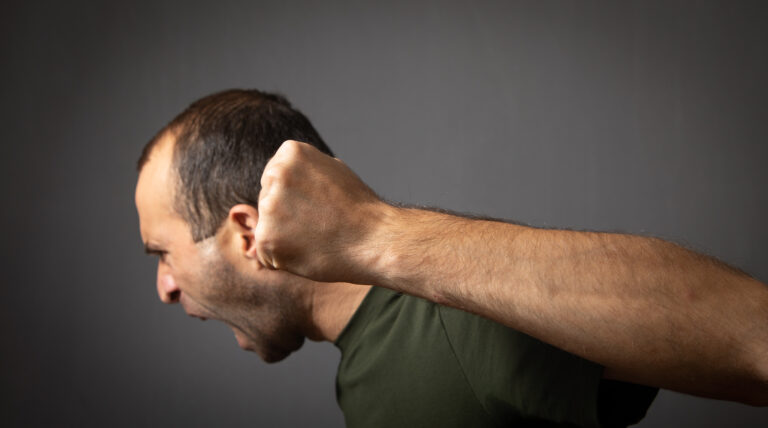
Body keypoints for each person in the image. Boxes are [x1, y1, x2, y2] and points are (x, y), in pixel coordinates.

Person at [135, 89, 661, 427]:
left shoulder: (457, 322)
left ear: (248, 234)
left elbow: (681, 323)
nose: (165, 287)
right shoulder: (359, 378)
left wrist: (377, 229)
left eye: (163, 253)